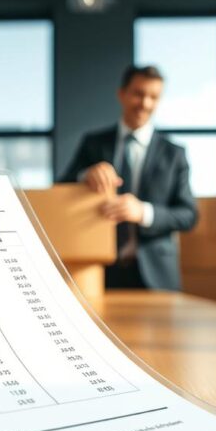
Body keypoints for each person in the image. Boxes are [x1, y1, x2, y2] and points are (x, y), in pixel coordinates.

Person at [59, 65, 197, 291]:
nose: (145, 103)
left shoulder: (174, 154)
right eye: (138, 94)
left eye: (154, 97)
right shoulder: (94, 144)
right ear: (121, 94)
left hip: (158, 277)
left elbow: (188, 215)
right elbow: (60, 189)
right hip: (101, 271)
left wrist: (143, 212)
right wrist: (85, 175)